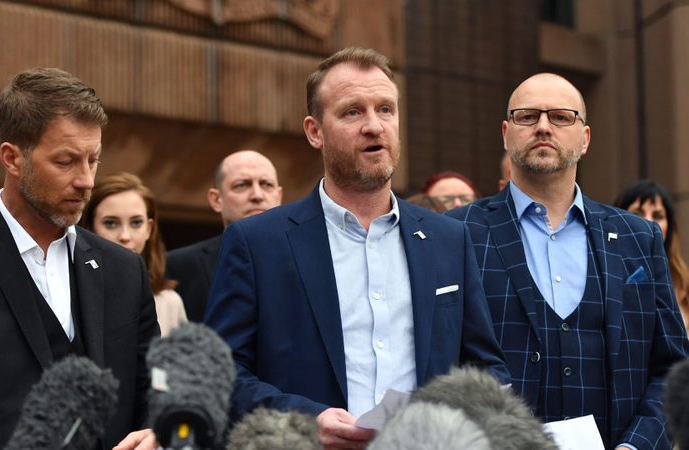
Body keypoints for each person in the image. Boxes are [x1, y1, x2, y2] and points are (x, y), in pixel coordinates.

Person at [204, 47, 509, 450]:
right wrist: (304, 420)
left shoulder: (448, 239)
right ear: (314, 131)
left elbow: (486, 369)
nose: (374, 126)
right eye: (352, 112)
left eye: (385, 109)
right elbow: (221, 374)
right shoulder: (257, 242)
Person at [446, 73, 689, 450]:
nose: (543, 127)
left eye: (561, 117)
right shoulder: (457, 233)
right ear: (506, 133)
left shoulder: (638, 238)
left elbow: (675, 371)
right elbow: (439, 364)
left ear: (585, 138)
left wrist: (636, 446)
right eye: (528, 116)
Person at [0, 68, 160, 450]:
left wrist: (157, 430)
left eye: (93, 160)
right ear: (12, 158)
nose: (86, 180)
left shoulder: (124, 269)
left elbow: (157, 384)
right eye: (66, 161)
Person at [166, 150, 282, 321]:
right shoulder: (178, 265)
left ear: (279, 196)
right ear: (216, 199)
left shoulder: (309, 257)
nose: (257, 195)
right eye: (242, 185)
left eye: (266, 184)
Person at [614, 180, 689, 355]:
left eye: (658, 216)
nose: (648, 222)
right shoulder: (601, 274)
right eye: (637, 214)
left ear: (669, 227)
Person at [82, 172, 188, 337]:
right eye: (110, 223)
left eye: (136, 223)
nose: (125, 236)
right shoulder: (72, 294)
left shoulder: (169, 303)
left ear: (149, 229)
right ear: (89, 229)